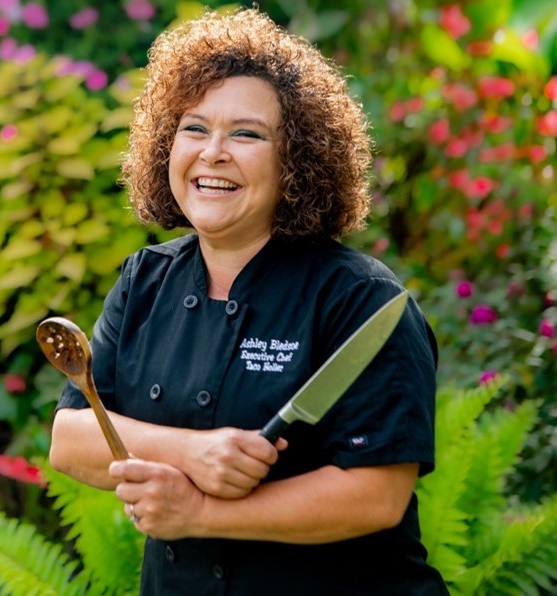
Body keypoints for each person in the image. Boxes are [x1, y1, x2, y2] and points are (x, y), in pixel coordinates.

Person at [49, 8, 447, 595]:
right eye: (193, 128)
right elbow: (70, 438)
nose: (213, 153)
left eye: (246, 133)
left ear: (297, 163)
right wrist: (195, 451)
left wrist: (203, 515)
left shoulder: (358, 299)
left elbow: (376, 496)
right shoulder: (144, 281)